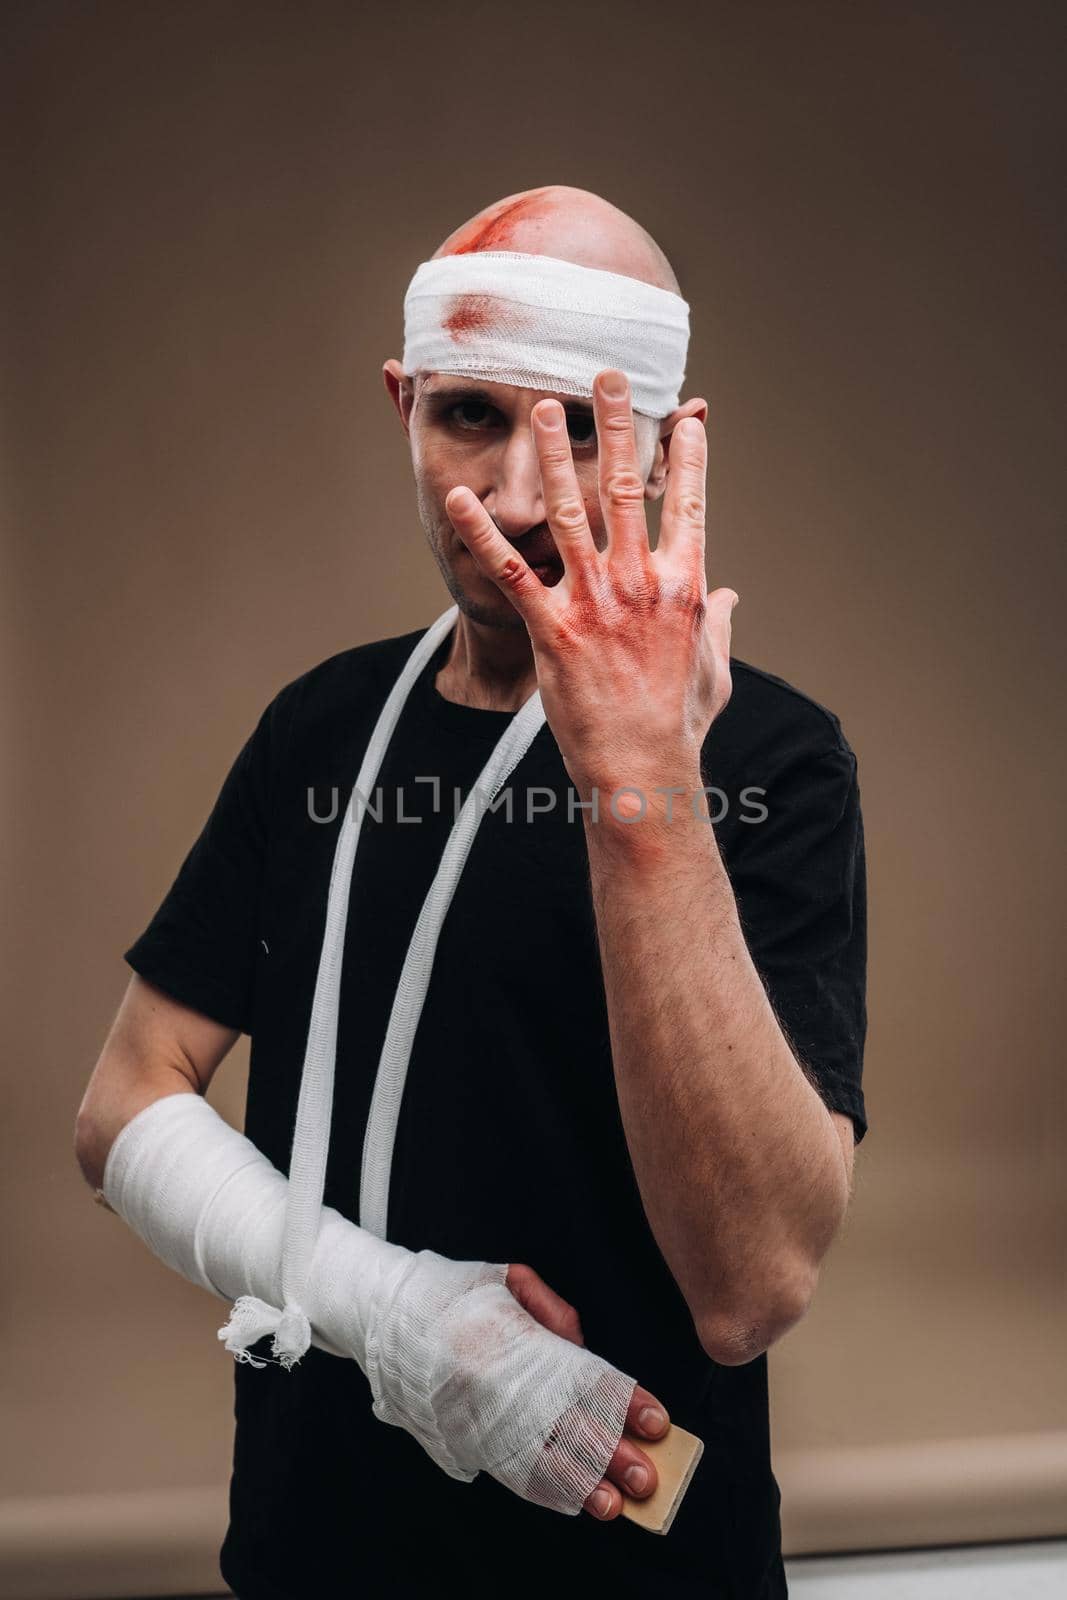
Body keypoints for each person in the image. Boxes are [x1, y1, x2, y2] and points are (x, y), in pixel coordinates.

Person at [74, 184, 868, 1598]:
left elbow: (752, 1290)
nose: (513, 494)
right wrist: (394, 1317)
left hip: (631, 1568)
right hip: (313, 1552)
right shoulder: (320, 729)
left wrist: (645, 792)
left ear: (670, 446)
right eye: (473, 416)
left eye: (578, 429)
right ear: (404, 405)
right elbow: (127, 1103)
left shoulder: (769, 757)